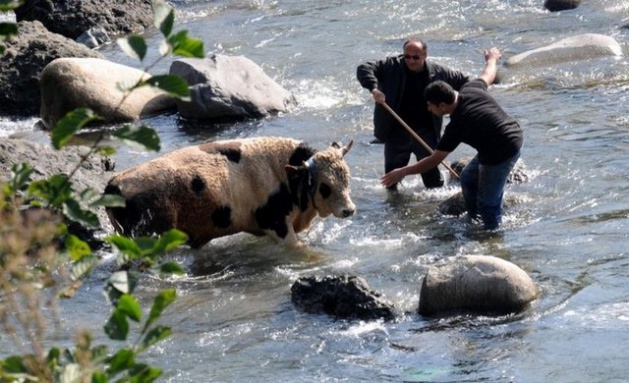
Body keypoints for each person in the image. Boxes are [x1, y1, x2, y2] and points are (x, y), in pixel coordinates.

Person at [380, 47, 523, 230]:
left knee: (489, 203)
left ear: (443, 105)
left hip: (502, 152)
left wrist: (402, 172)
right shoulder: (471, 88)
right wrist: (492, 59)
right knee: (468, 178)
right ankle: (474, 218)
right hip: (504, 138)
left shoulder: (457, 125)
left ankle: (491, 238)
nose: (429, 110)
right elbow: (488, 74)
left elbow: (434, 160)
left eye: (431, 106)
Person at [357, 37, 469, 190]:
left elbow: (466, 82)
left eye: (415, 57)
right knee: (391, 179)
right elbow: (364, 68)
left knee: (432, 179)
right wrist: (374, 88)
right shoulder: (391, 66)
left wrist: (457, 106)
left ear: (425, 56)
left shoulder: (439, 72)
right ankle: (392, 209)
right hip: (395, 130)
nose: (410, 60)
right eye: (407, 56)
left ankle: (435, 206)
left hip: (426, 130)